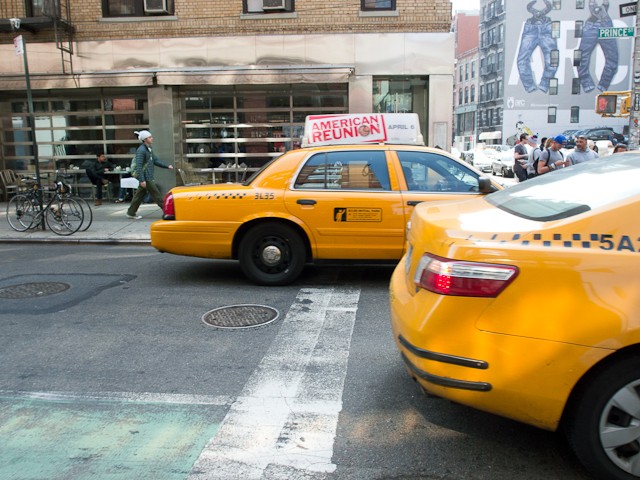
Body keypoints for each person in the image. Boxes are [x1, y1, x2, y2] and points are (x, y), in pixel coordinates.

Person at [126, 130, 174, 220]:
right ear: (145, 139)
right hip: (146, 177)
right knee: (156, 195)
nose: (152, 138)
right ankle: (168, 212)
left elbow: (155, 160)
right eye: (150, 137)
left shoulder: (148, 149)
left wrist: (167, 166)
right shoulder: (141, 150)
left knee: (139, 196)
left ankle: (131, 212)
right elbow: (139, 166)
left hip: (147, 176)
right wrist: (142, 180)